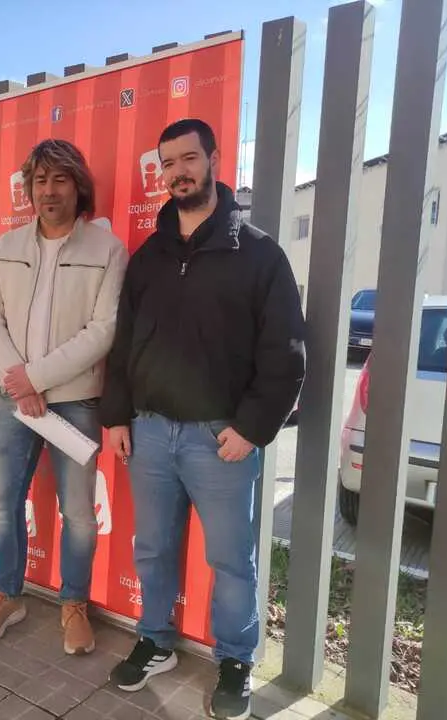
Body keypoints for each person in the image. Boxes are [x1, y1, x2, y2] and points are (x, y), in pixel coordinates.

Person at [99, 118, 306, 719]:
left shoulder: (260, 254)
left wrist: (252, 428)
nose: (177, 172)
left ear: (215, 161)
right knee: (153, 548)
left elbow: (286, 352)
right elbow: (124, 342)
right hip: (151, 432)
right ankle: (156, 641)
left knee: (230, 558)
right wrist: (117, 417)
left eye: (188, 159)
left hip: (221, 440)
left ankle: (236, 659)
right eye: (167, 163)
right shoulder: (149, 256)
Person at [0, 139, 129, 654]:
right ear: (29, 189)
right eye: (39, 180)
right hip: (14, 401)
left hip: (75, 402)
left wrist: (34, 379)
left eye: (60, 179)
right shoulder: (6, 246)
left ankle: (74, 603)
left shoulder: (106, 249)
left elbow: (103, 330)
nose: (48, 190)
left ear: (78, 186)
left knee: (80, 515)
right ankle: (7, 594)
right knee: (3, 505)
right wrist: (19, 381)